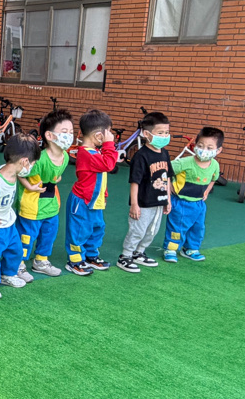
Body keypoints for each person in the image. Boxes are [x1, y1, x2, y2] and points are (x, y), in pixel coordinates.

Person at [0, 133, 40, 299]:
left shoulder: (10, 170)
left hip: (8, 222)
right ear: (24, 162)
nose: (31, 167)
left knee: (15, 250)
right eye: (32, 163)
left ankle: (8, 274)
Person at [16, 108, 73, 278]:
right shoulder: (39, 159)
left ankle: (41, 261)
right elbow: (20, 172)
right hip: (32, 207)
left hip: (51, 205)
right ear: (49, 135)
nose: (69, 136)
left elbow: (56, 176)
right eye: (64, 132)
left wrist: (56, 178)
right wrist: (29, 186)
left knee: (49, 234)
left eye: (71, 132)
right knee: (26, 236)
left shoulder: (65, 157)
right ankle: (17, 264)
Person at [64, 109, 118, 276]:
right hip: (82, 201)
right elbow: (109, 165)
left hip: (95, 201)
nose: (110, 137)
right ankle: (75, 260)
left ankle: (90, 255)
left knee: (97, 228)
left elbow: (101, 176)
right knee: (79, 230)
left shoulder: (95, 152)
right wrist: (109, 145)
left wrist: (104, 195)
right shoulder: (86, 153)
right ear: (99, 136)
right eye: (108, 134)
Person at [117, 112, 173, 273]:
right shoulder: (141, 156)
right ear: (146, 134)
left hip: (159, 201)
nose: (164, 136)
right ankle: (125, 256)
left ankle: (139, 252)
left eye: (167, 132)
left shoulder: (165, 153)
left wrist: (168, 200)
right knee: (138, 230)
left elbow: (168, 177)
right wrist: (134, 204)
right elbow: (135, 182)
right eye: (160, 133)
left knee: (152, 230)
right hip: (143, 202)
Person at [164, 127, 224, 262]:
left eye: (209, 148)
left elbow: (214, 178)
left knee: (198, 227)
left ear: (218, 150)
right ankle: (171, 249)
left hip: (198, 204)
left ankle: (190, 248)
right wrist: (169, 186)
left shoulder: (214, 165)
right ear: (195, 145)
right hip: (181, 202)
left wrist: (207, 191)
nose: (204, 150)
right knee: (177, 227)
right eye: (200, 146)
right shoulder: (184, 162)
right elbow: (165, 169)